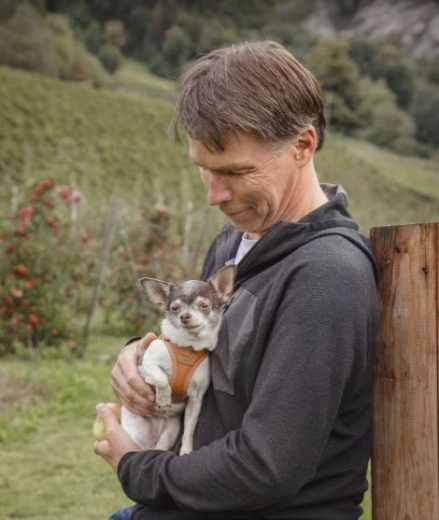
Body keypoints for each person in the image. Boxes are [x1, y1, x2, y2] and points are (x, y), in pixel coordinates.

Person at [94, 40, 379, 520]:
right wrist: (140, 357)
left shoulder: (327, 276)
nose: (214, 194)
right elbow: (216, 357)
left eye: (235, 171)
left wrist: (140, 469)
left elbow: (266, 465)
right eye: (203, 169)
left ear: (303, 146)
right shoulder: (236, 241)